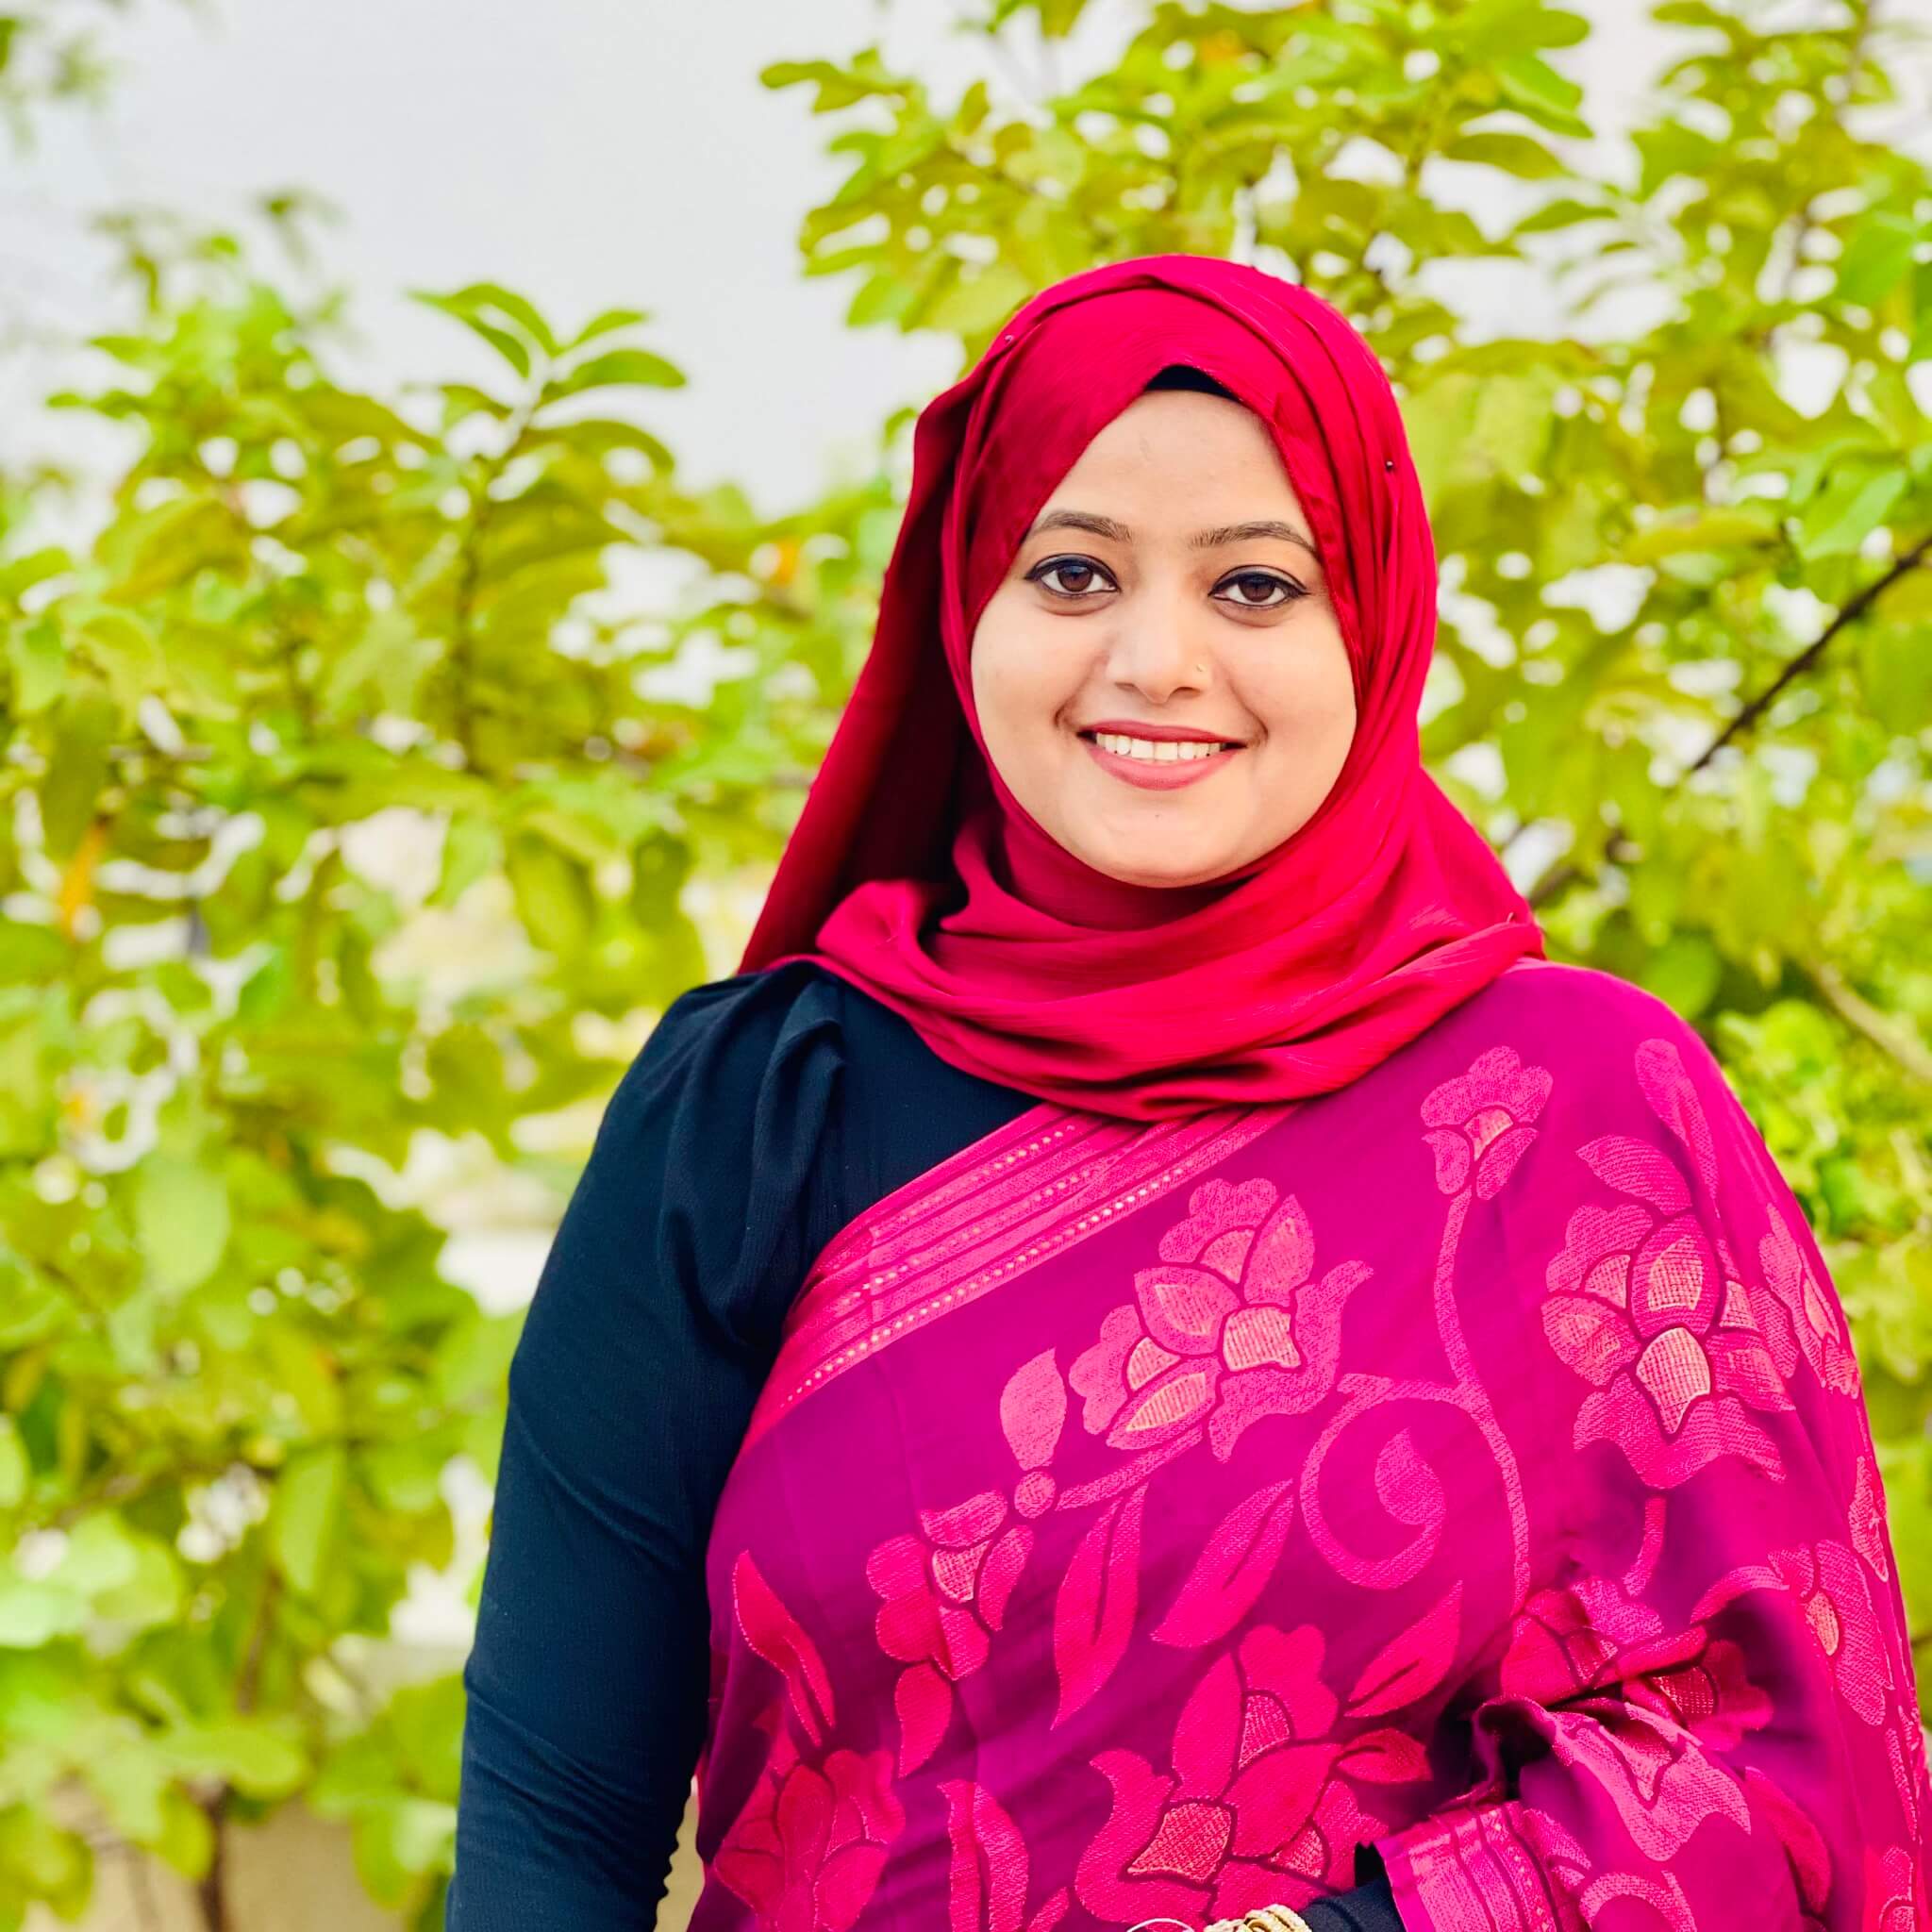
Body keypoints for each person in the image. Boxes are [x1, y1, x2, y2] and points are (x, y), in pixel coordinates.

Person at [446, 255, 1930, 1932]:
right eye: (1074, 571)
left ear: (1372, 619)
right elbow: (555, 1819)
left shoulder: (1577, 1114)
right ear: (966, 606)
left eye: (1254, 586)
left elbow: (1777, 1765)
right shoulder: (754, 1108)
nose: (1156, 659)